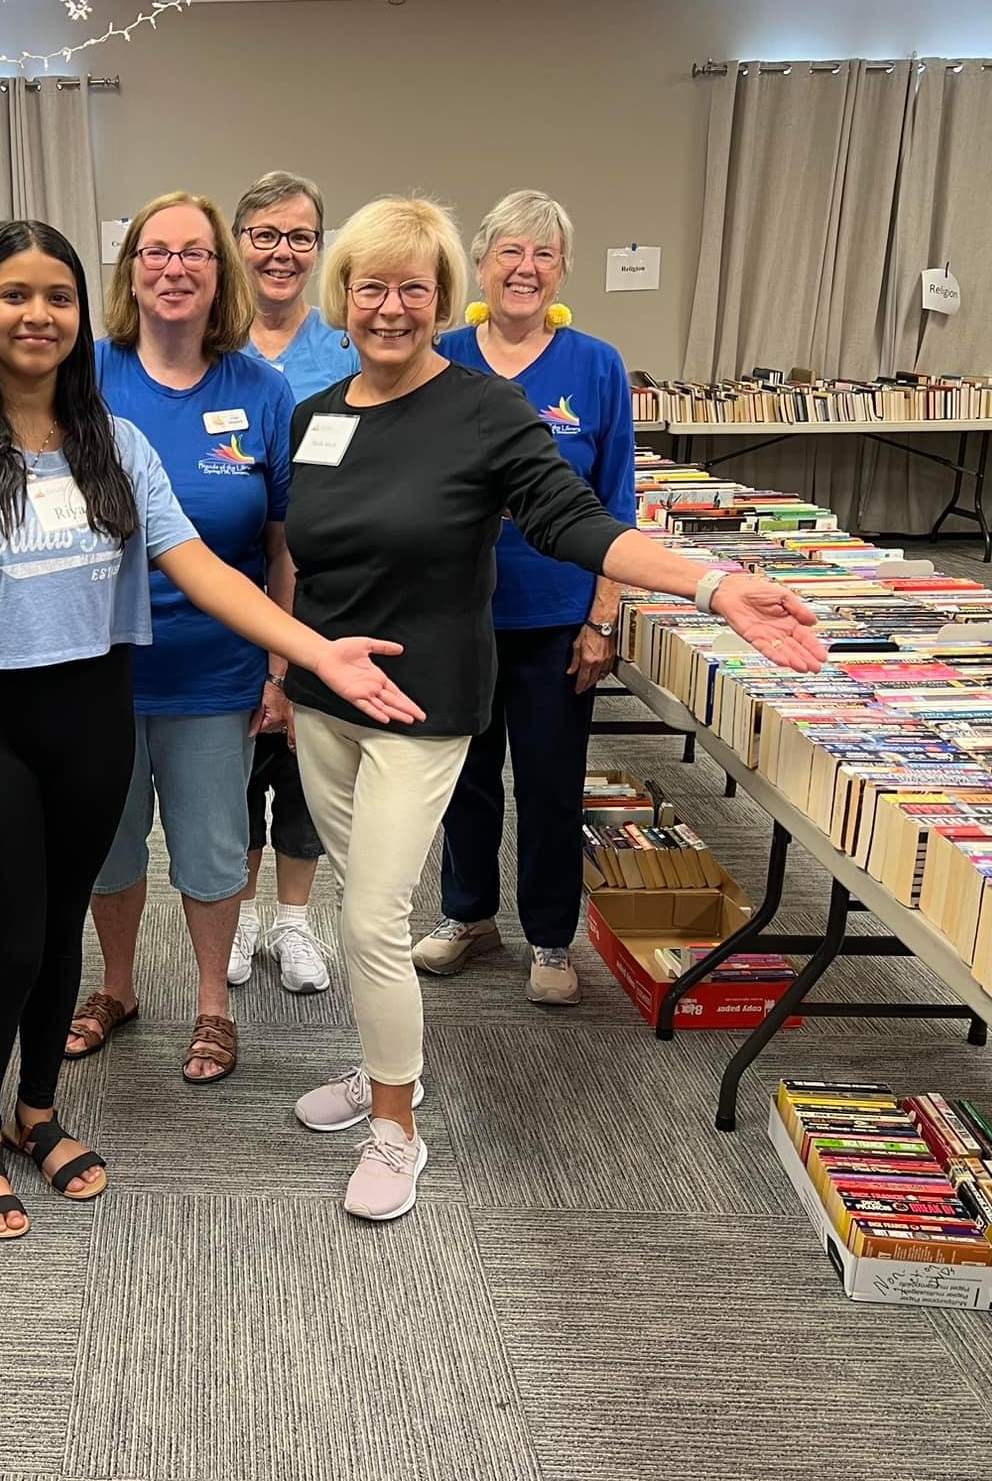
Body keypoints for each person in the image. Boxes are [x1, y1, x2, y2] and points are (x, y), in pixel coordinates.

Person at [0, 219, 422, 1239]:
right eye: (14, 295)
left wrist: (305, 648)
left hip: (94, 717)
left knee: (67, 930)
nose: (37, 316)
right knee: (8, 946)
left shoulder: (111, 448)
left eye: (57, 298)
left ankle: (38, 1116)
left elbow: (202, 568)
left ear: (83, 317)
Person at [283, 196, 826, 1222]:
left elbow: (574, 520)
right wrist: (285, 669)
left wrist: (707, 586)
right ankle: (381, 1060)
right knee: (367, 909)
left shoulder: (483, 409)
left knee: (367, 918)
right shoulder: (318, 417)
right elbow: (300, 560)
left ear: (441, 298)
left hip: (424, 706)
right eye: (369, 286)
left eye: (411, 288)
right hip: (324, 701)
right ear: (339, 297)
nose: (388, 308)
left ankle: (395, 1128)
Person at [62, 190, 298, 1086]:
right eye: (155, 251)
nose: (174, 268)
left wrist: (277, 665)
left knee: (209, 849)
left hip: (217, 672)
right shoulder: (87, 376)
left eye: (194, 253)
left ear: (220, 270)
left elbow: (282, 545)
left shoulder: (260, 389)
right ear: (132, 270)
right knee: (109, 847)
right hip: (99, 672)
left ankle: (211, 1002)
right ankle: (116, 987)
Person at [412, 190, 635, 1006]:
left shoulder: (595, 365)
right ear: (480, 263)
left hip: (554, 619)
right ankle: (467, 915)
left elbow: (617, 504)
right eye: (511, 251)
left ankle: (550, 938)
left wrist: (602, 618)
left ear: (563, 270)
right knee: (460, 779)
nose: (526, 269)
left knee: (548, 783)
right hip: (454, 615)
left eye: (544, 255)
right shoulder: (439, 357)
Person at [232, 170, 360, 994]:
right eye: (266, 235)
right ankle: (239, 918)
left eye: (301, 237)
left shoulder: (346, 349)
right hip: (231, 592)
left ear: (320, 248)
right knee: (236, 761)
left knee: (310, 765)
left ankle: (293, 923)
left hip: (328, 593)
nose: (283, 252)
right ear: (241, 245)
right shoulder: (210, 350)